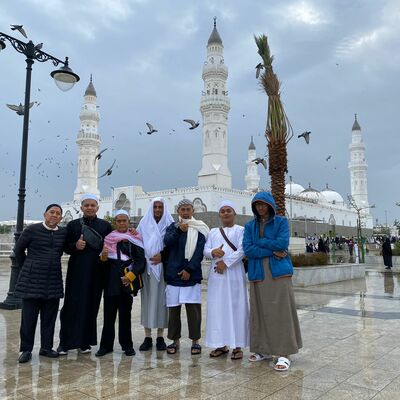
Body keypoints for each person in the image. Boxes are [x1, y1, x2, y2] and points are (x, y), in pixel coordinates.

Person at [243, 191, 302, 371]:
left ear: (270, 205)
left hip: (277, 274)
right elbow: (248, 249)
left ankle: (283, 353)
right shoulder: (249, 226)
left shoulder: (281, 222)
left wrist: (260, 243)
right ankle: (264, 349)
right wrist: (270, 248)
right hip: (257, 273)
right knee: (260, 311)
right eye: (257, 205)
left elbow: (282, 244)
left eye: (263, 204)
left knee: (280, 312)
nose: (261, 208)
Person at [58, 194, 112, 355]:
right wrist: (76, 245)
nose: (89, 208)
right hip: (77, 272)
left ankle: (85, 342)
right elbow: (65, 247)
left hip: (97, 272)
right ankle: (65, 343)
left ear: (97, 207)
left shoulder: (105, 226)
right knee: (71, 306)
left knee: (91, 306)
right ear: (81, 208)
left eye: (92, 205)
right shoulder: (73, 225)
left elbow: (112, 246)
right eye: (86, 205)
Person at [14, 204, 67, 363]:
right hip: (32, 281)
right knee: (28, 319)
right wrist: (27, 267)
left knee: (49, 318)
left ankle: (46, 347)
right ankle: (25, 349)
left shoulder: (62, 233)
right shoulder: (32, 230)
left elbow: (69, 248)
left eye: (58, 213)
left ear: (61, 218)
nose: (54, 215)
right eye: (52, 212)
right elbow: (18, 251)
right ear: (45, 214)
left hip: (53, 282)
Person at [96, 210, 145, 357]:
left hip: (126, 282)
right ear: (115, 223)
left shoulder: (134, 238)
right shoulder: (109, 239)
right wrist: (103, 258)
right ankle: (106, 346)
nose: (122, 223)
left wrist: (130, 275)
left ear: (128, 222)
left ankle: (127, 345)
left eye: (124, 221)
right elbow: (102, 265)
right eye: (119, 221)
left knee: (125, 316)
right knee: (109, 316)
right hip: (111, 281)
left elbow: (140, 261)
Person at [204, 201, 249, 360]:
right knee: (218, 308)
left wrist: (226, 263)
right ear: (219, 215)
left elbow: (243, 250)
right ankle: (220, 345)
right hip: (217, 276)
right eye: (222, 211)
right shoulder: (213, 232)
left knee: (236, 307)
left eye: (228, 210)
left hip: (235, 274)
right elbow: (205, 249)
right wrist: (212, 251)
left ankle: (237, 346)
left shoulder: (241, 230)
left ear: (234, 213)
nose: (225, 213)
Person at [163, 199, 209, 355]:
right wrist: (179, 230)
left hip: (192, 275)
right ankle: (174, 340)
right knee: (174, 311)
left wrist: (189, 269)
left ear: (193, 211)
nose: (185, 212)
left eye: (188, 209)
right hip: (173, 275)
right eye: (182, 209)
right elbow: (167, 242)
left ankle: (195, 341)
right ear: (178, 211)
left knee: (193, 311)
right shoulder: (172, 227)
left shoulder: (200, 227)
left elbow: (199, 251)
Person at [136, 197, 173, 351]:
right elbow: (137, 243)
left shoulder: (170, 224)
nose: (158, 210)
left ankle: (160, 336)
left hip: (163, 268)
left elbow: (173, 246)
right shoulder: (143, 224)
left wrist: (162, 257)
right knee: (148, 300)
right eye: (155, 207)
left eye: (160, 207)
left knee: (162, 302)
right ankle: (147, 336)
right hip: (148, 269)